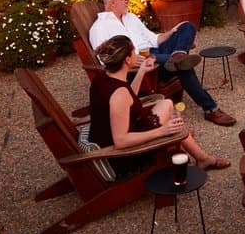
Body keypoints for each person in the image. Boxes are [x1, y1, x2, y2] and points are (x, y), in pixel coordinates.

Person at [89, 0, 235, 126]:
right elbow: (106, 61)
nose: (129, 1)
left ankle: (179, 54)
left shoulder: (130, 17)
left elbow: (154, 39)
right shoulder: (100, 28)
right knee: (183, 66)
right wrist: (131, 61)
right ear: (113, 3)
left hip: (154, 53)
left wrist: (171, 33)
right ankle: (210, 108)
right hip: (140, 64)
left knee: (187, 27)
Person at [90, 36, 229, 175]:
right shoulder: (119, 94)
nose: (137, 54)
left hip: (118, 131)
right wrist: (162, 131)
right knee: (170, 121)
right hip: (122, 156)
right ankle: (200, 156)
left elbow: (128, 97)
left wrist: (142, 71)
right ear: (127, 60)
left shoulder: (103, 78)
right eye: (134, 51)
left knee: (166, 103)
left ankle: (198, 154)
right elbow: (120, 141)